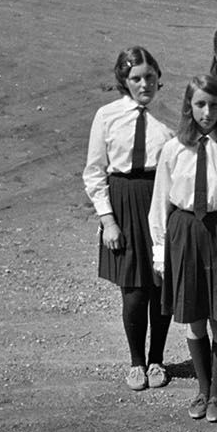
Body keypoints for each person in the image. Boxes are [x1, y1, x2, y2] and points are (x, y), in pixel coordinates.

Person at [149, 74, 217, 423]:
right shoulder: (174, 149)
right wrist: (160, 252)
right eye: (200, 104)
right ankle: (202, 390)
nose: (207, 112)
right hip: (184, 231)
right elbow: (160, 203)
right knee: (194, 315)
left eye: (214, 105)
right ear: (189, 107)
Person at [84, 46, 174, 392]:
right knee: (134, 290)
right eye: (136, 78)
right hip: (123, 201)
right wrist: (108, 220)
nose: (144, 84)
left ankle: (157, 359)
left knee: (161, 284)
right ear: (124, 81)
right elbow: (94, 173)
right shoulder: (106, 116)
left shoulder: (168, 117)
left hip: (159, 198)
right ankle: (136, 362)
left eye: (150, 77)